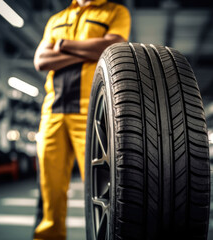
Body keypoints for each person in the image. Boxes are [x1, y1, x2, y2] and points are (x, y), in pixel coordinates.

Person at [33, 0, 131, 239]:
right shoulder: (56, 19)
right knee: (50, 187)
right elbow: (41, 61)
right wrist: (87, 51)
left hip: (90, 113)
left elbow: (113, 48)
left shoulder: (115, 12)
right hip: (52, 112)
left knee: (100, 186)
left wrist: (63, 46)